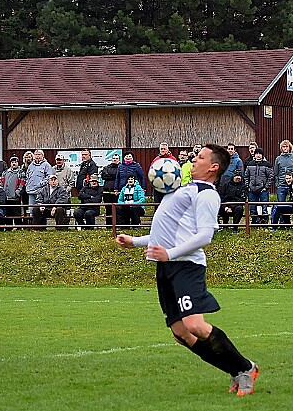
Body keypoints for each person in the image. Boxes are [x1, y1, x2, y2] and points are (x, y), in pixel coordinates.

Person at [114, 144, 259, 397]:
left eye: (200, 157)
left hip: (186, 266)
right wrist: (135, 241)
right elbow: (167, 232)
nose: (194, 159)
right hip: (166, 267)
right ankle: (237, 371)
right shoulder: (184, 190)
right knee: (181, 333)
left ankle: (246, 367)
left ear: (213, 167)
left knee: (196, 326)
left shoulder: (207, 195)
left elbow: (205, 236)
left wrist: (170, 254)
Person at [273, 140, 293, 225]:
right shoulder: (278, 159)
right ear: (281, 148)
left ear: (290, 148)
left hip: (292, 186)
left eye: (287, 147)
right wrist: (277, 184)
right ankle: (283, 223)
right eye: (283, 147)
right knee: (281, 205)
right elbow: (276, 173)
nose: (285, 148)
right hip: (281, 186)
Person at [244, 148, 273, 225]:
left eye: (260, 154)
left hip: (263, 190)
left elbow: (270, 177)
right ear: (254, 155)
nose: (258, 155)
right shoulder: (250, 164)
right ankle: (254, 222)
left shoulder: (267, 164)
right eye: (257, 154)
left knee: (264, 207)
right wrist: (248, 186)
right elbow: (246, 176)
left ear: (262, 155)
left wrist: (266, 187)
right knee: (252, 208)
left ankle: (264, 223)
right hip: (252, 190)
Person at [25, 149, 52, 219]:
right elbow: (27, 176)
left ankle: (42, 226)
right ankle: (32, 226)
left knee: (40, 210)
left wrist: (41, 184)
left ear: (43, 156)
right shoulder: (31, 165)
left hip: (40, 192)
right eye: (36, 154)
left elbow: (49, 177)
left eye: (39, 154)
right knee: (31, 209)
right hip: (31, 191)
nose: (37, 156)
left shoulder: (46, 165)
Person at [0, 156, 25, 229]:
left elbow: (22, 183)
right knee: (8, 212)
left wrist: (18, 192)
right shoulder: (5, 172)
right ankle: (8, 227)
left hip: (15, 197)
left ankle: (19, 227)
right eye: (12, 162)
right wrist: (2, 191)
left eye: (15, 162)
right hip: (6, 196)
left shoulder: (20, 172)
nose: (14, 163)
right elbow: (1, 182)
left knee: (16, 212)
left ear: (18, 163)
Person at [100, 153, 121, 226]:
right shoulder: (107, 167)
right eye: (113, 158)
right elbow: (103, 176)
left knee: (117, 209)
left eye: (116, 158)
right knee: (108, 209)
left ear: (119, 159)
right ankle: (108, 225)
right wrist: (114, 176)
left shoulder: (121, 167)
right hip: (106, 192)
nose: (115, 160)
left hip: (116, 192)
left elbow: (119, 176)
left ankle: (117, 224)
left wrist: (110, 175)